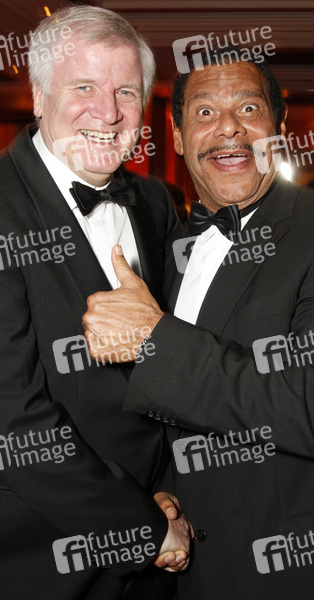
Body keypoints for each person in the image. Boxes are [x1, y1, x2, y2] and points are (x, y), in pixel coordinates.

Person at [83, 46, 314, 599]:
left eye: (249, 109)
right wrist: (158, 492)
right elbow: (177, 408)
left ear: (279, 127)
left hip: (312, 568)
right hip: (196, 565)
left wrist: (155, 339)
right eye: (204, 112)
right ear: (177, 137)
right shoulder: (172, 248)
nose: (228, 127)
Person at [0, 6, 192, 600]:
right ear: (39, 97)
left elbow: (173, 358)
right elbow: (12, 420)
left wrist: (168, 492)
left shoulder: (154, 202)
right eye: (84, 87)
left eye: (125, 92)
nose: (108, 114)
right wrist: (141, 527)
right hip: (42, 552)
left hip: (161, 525)